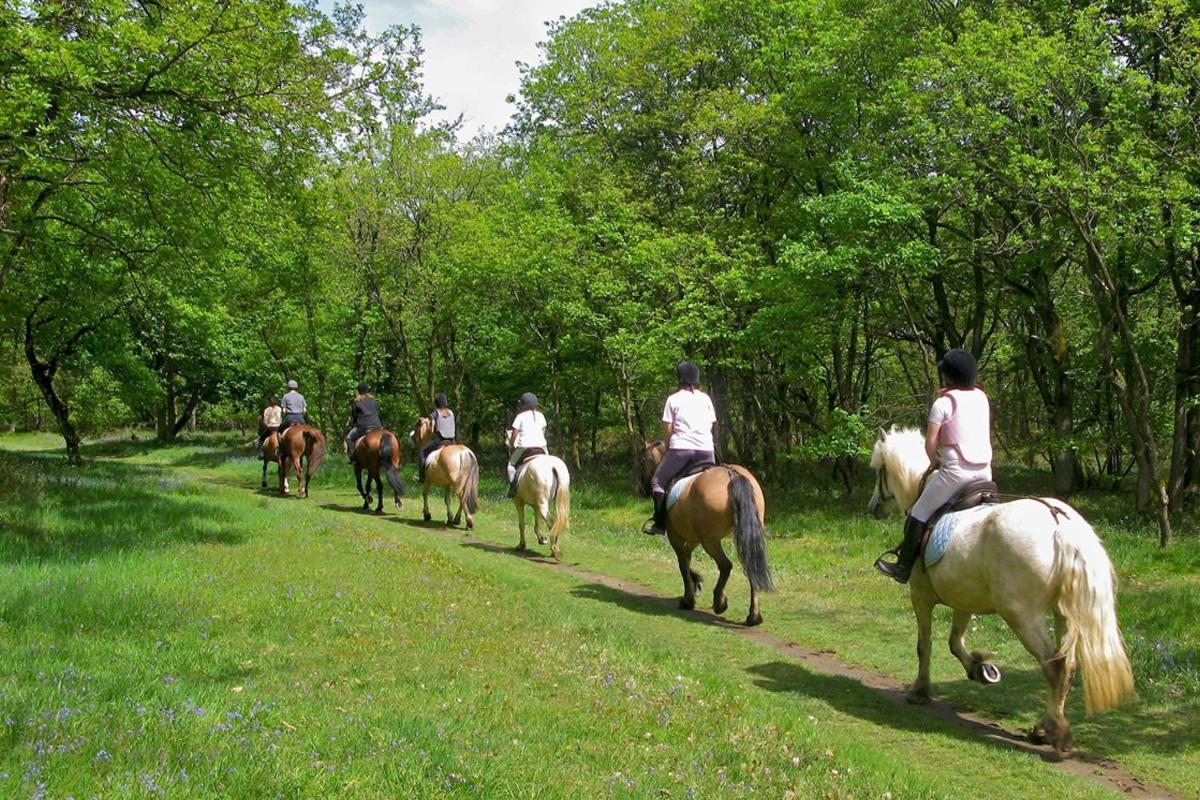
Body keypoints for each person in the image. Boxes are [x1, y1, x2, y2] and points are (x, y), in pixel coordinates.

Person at [875, 348, 993, 583]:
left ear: (948, 377)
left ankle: (902, 567)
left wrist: (936, 463)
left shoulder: (943, 403)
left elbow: (930, 445)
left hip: (955, 474)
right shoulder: (982, 398)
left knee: (918, 513)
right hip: (985, 473)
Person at [642, 361, 717, 535]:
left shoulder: (673, 399)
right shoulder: (705, 398)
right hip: (706, 451)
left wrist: (669, 447)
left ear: (680, 378)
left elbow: (668, 428)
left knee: (658, 482)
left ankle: (660, 524)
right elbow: (711, 425)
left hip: (681, 450)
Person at [507, 392, 548, 497]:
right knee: (548, 463)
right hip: (541, 446)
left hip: (524, 447)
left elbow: (515, 433)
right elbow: (543, 431)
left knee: (511, 466)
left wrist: (512, 444)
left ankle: (513, 488)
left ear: (524, 405)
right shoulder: (541, 416)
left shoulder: (520, 416)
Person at [418, 393, 456, 481]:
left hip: (440, 439)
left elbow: (429, 420)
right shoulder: (451, 412)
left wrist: (423, 421)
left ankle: (422, 477)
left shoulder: (436, 413)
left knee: (422, 452)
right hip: (452, 440)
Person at [345, 382, 384, 464]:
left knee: (348, 438)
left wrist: (354, 425)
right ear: (367, 390)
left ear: (358, 391)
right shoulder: (374, 402)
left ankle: (353, 458)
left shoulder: (356, 403)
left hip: (363, 427)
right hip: (378, 426)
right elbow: (377, 414)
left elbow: (354, 417)